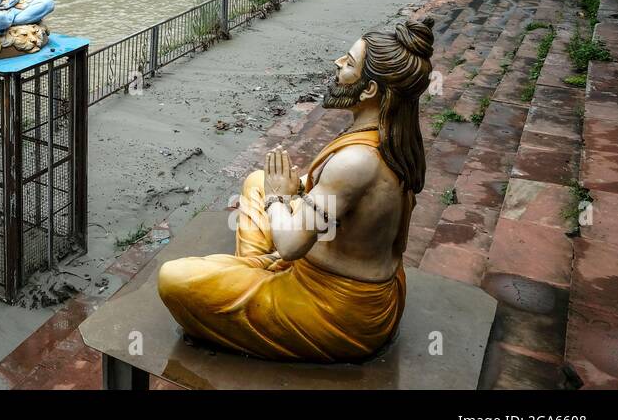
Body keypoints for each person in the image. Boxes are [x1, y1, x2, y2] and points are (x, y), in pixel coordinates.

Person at [157, 18, 434, 361]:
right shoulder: (390, 136)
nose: (338, 64)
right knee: (257, 182)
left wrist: (279, 197)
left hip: (336, 310)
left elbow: (290, 247)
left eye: (349, 63)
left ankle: (250, 273)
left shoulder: (357, 162)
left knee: (174, 279)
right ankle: (251, 269)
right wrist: (289, 191)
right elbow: (338, 202)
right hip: (328, 268)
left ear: (369, 90)